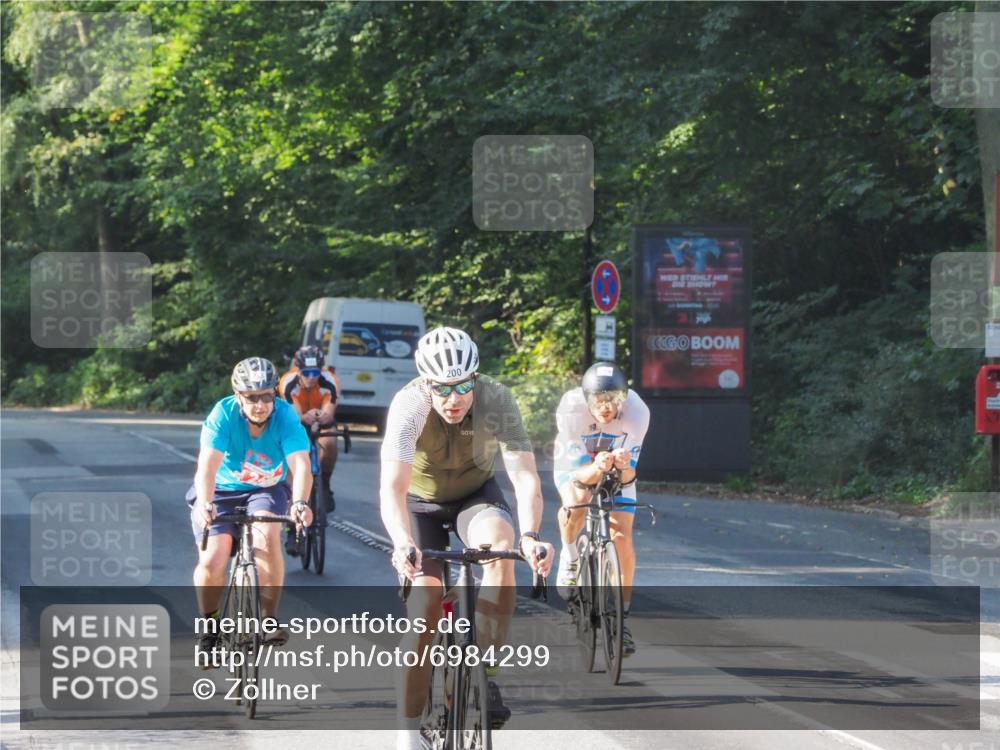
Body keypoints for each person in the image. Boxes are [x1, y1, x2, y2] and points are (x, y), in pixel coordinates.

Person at [380, 326, 554, 750]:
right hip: (421, 505)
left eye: (462, 385)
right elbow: (392, 489)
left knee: (502, 550)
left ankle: (484, 671)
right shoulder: (410, 405)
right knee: (424, 612)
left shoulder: (497, 399)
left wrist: (530, 536)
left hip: (474, 497)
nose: (453, 398)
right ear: (426, 383)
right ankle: (408, 733)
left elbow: (525, 476)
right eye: (442, 388)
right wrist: (403, 542)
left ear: (475, 377)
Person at [188, 357, 314, 653]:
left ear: (275, 394)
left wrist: (299, 502)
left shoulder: (286, 417)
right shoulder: (223, 415)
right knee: (213, 559)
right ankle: (210, 625)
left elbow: (301, 465)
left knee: (268, 537)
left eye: (267, 396)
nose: (260, 405)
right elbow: (206, 468)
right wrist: (204, 503)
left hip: (266, 488)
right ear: (238, 396)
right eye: (252, 397)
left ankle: (269, 619)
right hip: (220, 490)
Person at [553, 362, 649, 657]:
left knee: (623, 539)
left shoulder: (638, 412)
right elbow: (580, 474)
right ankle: (570, 558)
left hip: (617, 469)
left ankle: (622, 617)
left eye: (613, 401)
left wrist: (622, 467)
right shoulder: (571, 409)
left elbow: (629, 478)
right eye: (598, 402)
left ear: (624, 398)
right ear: (586, 400)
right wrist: (596, 466)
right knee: (576, 503)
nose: (606, 409)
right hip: (577, 467)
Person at [278, 345, 339, 558]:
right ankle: (291, 528)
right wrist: (305, 418)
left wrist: (323, 417)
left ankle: (325, 483)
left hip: (319, 419)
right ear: (298, 370)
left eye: (315, 373)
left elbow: (329, 412)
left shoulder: (329, 380)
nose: (311, 378)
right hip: (295, 421)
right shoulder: (288, 383)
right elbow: (294, 416)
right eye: (306, 373)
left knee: (330, 442)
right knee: (293, 471)